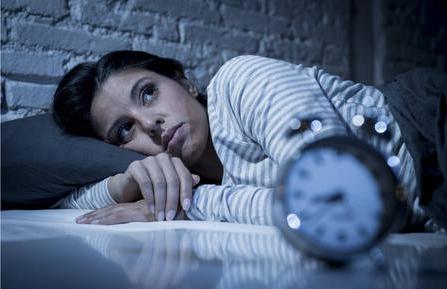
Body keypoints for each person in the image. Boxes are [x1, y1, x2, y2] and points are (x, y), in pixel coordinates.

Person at [52, 50, 446, 230]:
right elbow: (65, 199)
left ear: (183, 80)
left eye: (148, 93)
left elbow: (350, 199)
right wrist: (126, 184)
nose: (149, 124)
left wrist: (189, 205)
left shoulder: (239, 82)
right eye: (125, 130)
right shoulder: (188, 175)